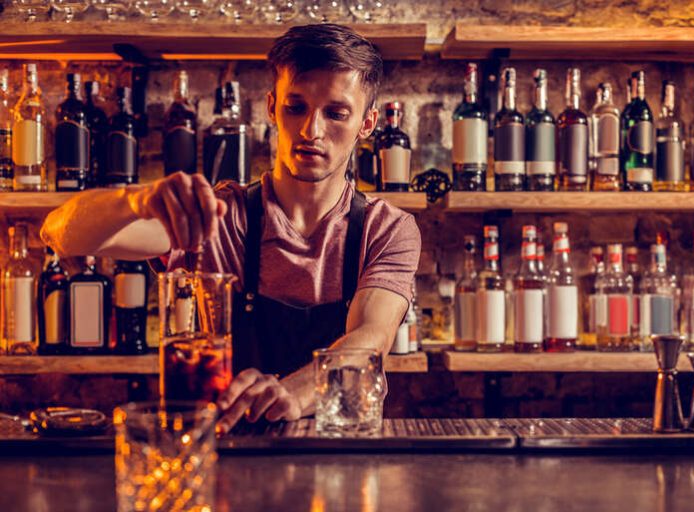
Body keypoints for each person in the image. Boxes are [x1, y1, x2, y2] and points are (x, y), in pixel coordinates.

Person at [41, 24, 421, 433]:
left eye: (336, 113)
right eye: (296, 107)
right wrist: (136, 201)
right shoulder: (220, 216)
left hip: (344, 450)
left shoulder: (387, 230)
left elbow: (372, 337)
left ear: (367, 124)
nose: (312, 130)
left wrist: (292, 392)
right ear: (272, 107)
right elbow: (62, 233)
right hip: (233, 447)